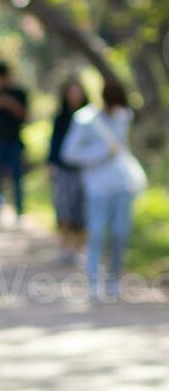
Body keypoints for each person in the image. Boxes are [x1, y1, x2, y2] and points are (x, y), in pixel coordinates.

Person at [61, 79, 140, 300]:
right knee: (96, 234)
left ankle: (114, 280)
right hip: (97, 187)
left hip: (123, 184)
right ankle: (94, 284)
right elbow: (69, 152)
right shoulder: (85, 119)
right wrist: (101, 152)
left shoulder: (125, 116)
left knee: (120, 234)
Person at [47, 79, 88, 263]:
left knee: (82, 210)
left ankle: (80, 247)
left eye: (77, 91)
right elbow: (54, 142)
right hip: (63, 169)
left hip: (84, 169)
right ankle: (64, 246)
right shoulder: (60, 117)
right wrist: (51, 164)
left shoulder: (90, 117)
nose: (74, 95)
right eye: (71, 91)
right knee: (63, 208)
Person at [0, 61, 28, 222]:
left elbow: (24, 116)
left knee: (17, 176)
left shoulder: (18, 93)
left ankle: (19, 210)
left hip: (14, 140)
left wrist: (10, 104)